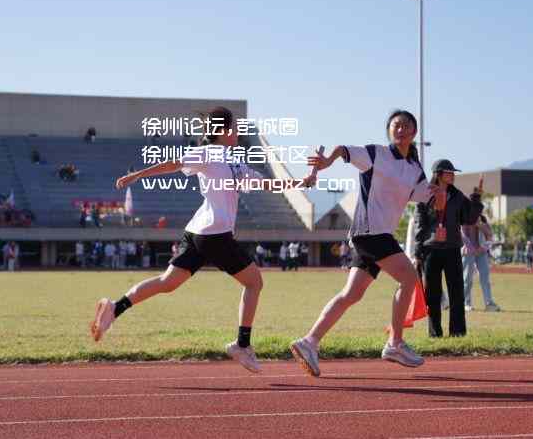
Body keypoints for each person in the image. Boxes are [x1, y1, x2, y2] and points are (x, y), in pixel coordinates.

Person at [91, 106, 302, 373]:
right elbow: (173, 164)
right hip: (215, 235)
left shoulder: (234, 161)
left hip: (197, 233)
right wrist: (137, 175)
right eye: (235, 127)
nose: (238, 131)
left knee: (167, 283)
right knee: (254, 282)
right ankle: (242, 345)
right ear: (224, 131)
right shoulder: (208, 153)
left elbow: (265, 183)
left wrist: (301, 183)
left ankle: (114, 308)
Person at [290, 110, 440, 376]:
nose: (400, 129)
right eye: (396, 125)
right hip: (370, 232)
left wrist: (439, 195)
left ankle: (309, 342)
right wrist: (326, 162)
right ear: (390, 131)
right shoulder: (376, 153)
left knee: (352, 294)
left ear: (414, 132)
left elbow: (427, 200)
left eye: (405, 126)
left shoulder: (414, 169)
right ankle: (394, 343)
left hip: (375, 235)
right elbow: (342, 149)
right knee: (408, 278)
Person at [414, 161, 484, 338]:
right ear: (438, 174)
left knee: (457, 292)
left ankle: (458, 332)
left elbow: (469, 218)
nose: (453, 174)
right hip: (431, 251)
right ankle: (434, 333)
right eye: (449, 172)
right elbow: (419, 225)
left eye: (454, 172)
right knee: (433, 295)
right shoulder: (425, 194)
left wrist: (476, 198)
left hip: (452, 248)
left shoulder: (457, 195)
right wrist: (418, 252)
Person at [462, 215, 500, 312]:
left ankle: (489, 303)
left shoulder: (483, 222)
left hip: (482, 252)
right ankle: (466, 303)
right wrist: (471, 248)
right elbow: (462, 235)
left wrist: (482, 247)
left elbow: (490, 237)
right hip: (468, 252)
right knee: (467, 278)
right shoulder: (464, 219)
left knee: (485, 278)